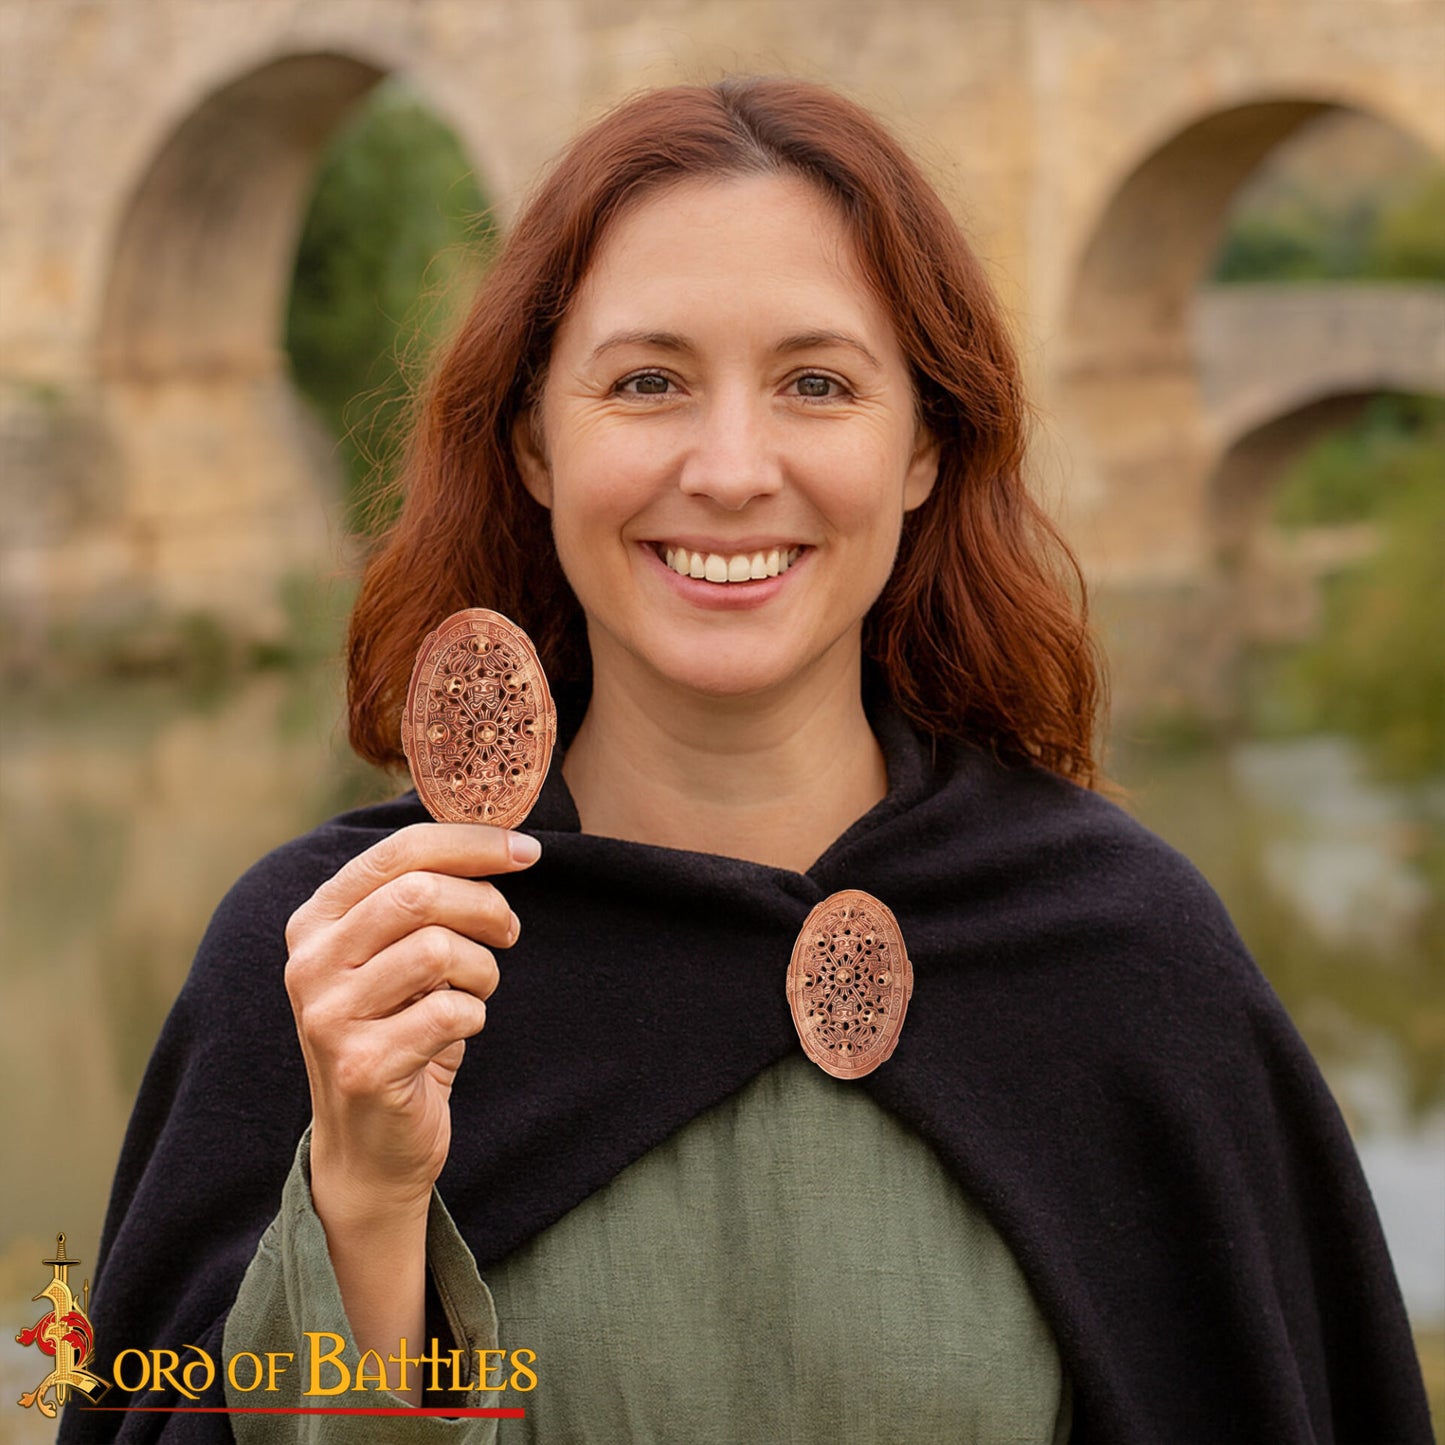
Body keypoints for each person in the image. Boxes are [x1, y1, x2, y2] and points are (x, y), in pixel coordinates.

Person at [62, 77, 1430, 1444]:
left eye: (816, 384)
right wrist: (359, 1201)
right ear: (536, 438)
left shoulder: (1125, 960)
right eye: (647, 381)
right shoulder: (335, 968)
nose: (728, 467)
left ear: (921, 449)